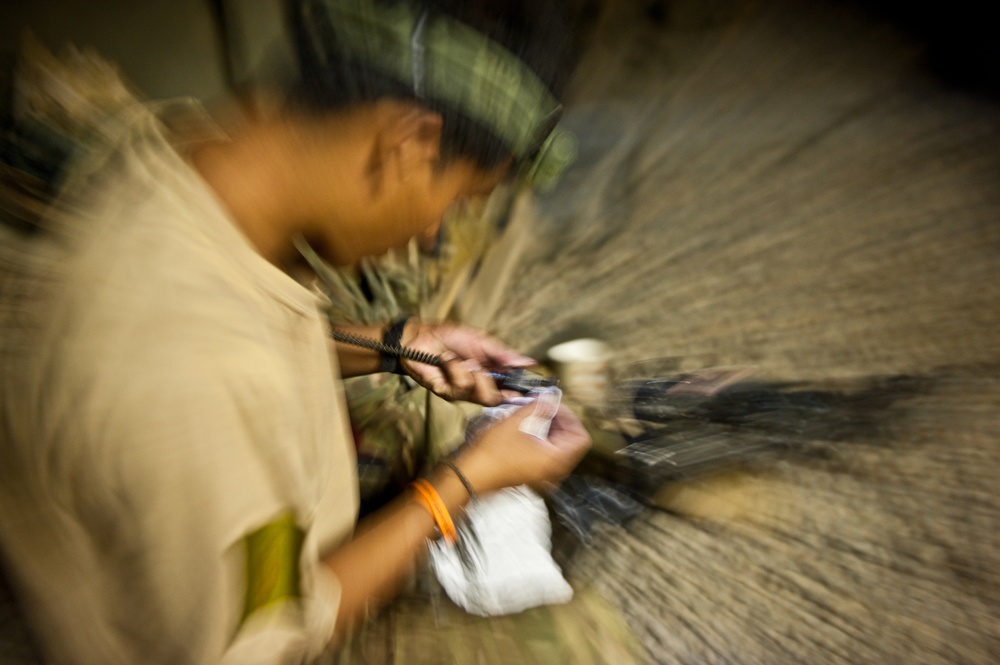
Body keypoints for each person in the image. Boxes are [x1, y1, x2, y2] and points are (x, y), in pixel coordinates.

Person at [0, 0, 599, 662]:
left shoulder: (194, 153)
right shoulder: (185, 381)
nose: (435, 232)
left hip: (226, 522)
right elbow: (279, 625)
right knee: (575, 645)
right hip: (235, 606)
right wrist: (459, 485)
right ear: (410, 143)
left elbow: (243, 323)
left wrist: (393, 342)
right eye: (456, 200)